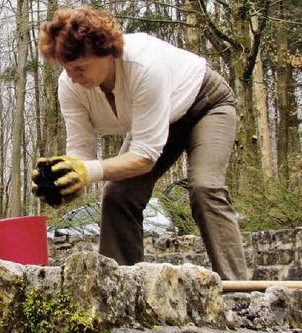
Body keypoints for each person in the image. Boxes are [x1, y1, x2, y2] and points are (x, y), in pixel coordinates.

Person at [32, 6, 248, 280]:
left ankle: (240, 289)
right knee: (118, 196)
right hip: (156, 119)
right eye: (66, 69)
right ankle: (121, 285)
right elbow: (81, 151)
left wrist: (88, 172)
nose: (73, 77)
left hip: (206, 104)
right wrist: (66, 177)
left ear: (107, 52)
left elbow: (145, 156)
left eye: (80, 68)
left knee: (205, 187)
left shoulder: (144, 66)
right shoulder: (69, 85)